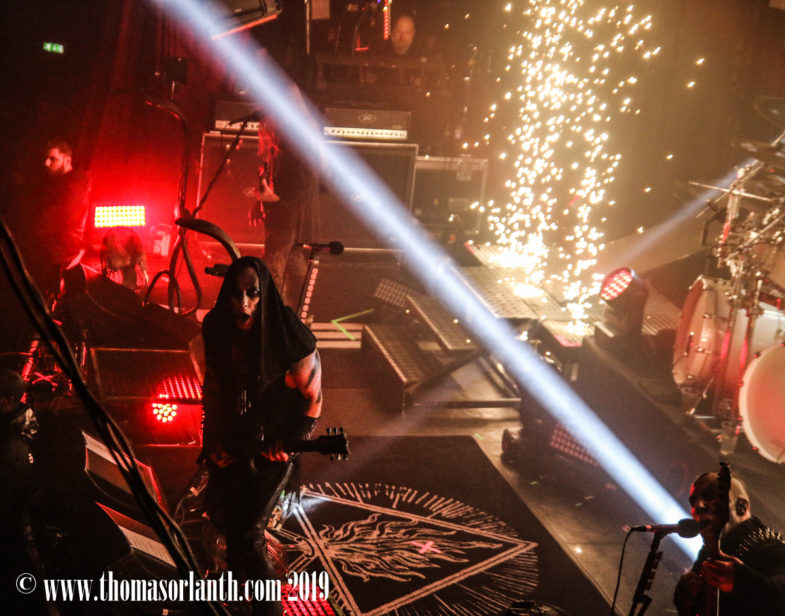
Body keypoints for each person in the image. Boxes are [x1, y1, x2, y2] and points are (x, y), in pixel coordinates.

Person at [200, 256, 322, 616]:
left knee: (247, 535)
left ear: (264, 294)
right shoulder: (217, 327)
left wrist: (290, 442)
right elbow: (214, 388)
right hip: (232, 439)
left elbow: (313, 400)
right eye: (236, 293)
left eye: (252, 293)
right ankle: (240, 595)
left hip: (272, 445)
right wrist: (213, 440)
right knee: (221, 518)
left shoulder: (289, 336)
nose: (243, 303)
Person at [673, 465, 785, 615]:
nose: (698, 505)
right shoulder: (705, 559)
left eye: (710, 494)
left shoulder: (770, 547)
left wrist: (742, 580)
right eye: (693, 501)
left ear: (741, 506)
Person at [28, 140, 91, 298]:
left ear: (66, 160)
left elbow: (57, 218)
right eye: (46, 158)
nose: (46, 163)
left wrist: (28, 231)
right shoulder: (60, 183)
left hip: (60, 252)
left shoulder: (73, 187)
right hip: (55, 250)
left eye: (53, 159)